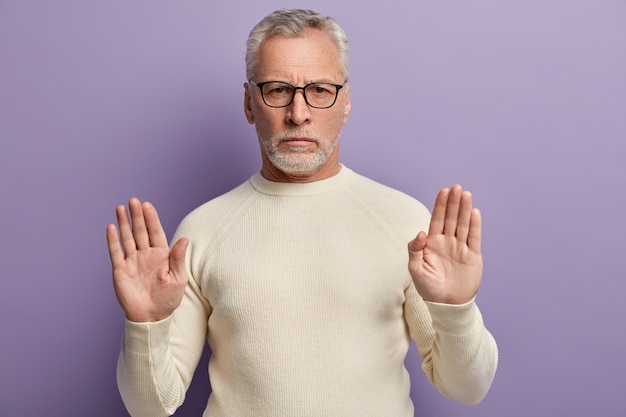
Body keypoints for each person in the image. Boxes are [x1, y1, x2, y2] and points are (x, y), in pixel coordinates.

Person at [106, 8, 498, 417]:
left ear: (344, 103)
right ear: (248, 103)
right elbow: (151, 406)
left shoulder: (405, 224)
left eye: (320, 90)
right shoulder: (202, 231)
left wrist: (458, 309)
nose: (298, 113)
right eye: (277, 90)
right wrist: (144, 324)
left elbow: (466, 388)